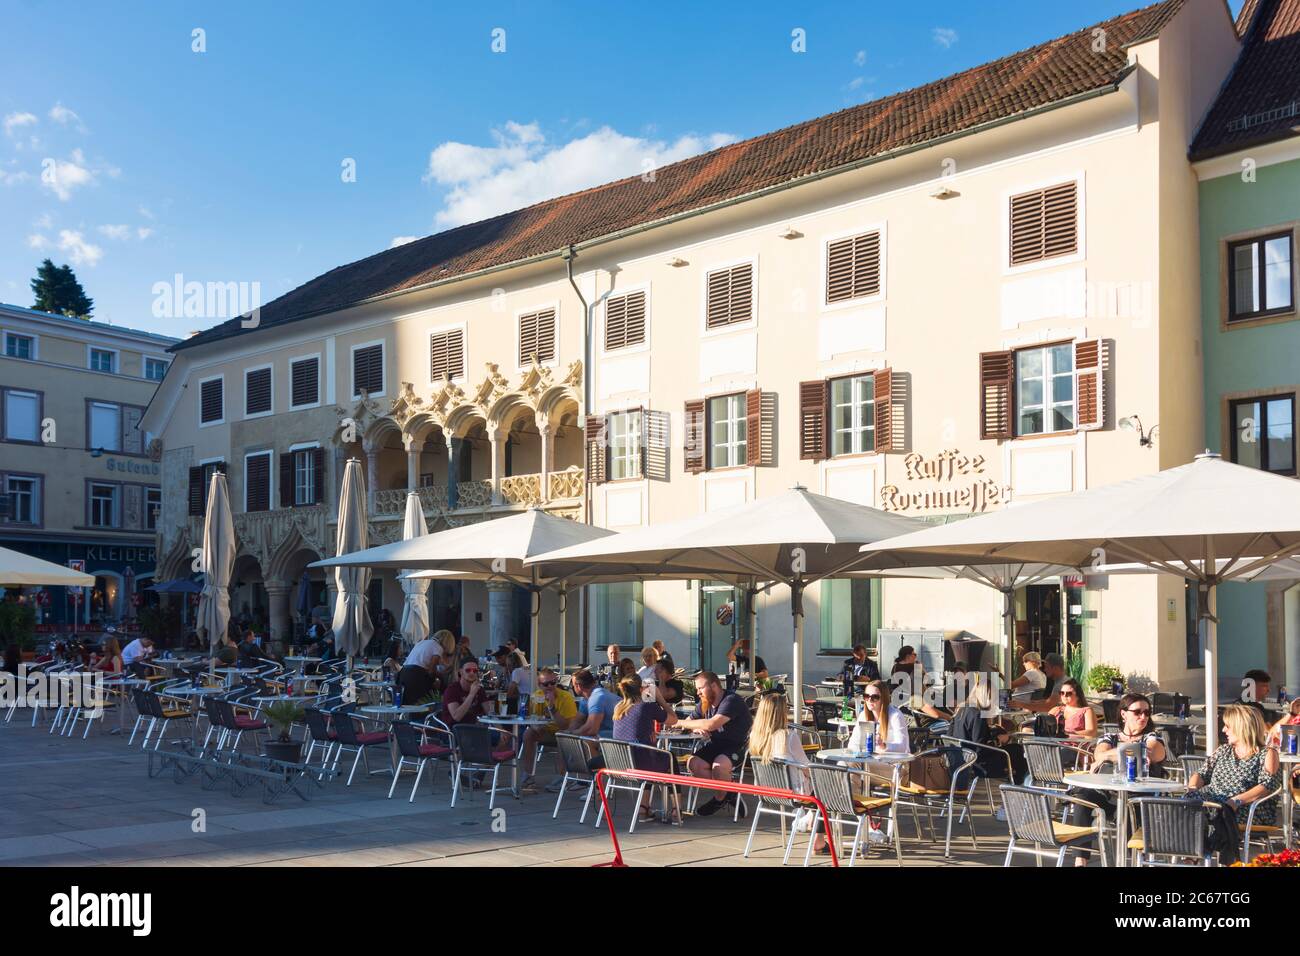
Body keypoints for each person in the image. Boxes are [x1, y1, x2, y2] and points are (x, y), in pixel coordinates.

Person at [1188, 704, 1282, 864]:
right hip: (1214, 804)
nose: (1223, 730)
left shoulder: (1267, 753)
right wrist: (1192, 788)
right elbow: (1201, 774)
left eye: (1227, 726)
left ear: (1242, 727)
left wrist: (1235, 801)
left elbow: (1266, 786)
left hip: (1248, 808)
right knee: (1184, 805)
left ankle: (1197, 856)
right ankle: (1188, 853)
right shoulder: (1224, 750)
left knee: (1216, 814)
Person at [749, 690, 829, 852]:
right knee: (826, 789)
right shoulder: (788, 736)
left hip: (767, 790)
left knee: (820, 787)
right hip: (792, 792)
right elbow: (807, 767)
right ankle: (818, 840)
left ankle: (809, 818)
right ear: (781, 713)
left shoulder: (755, 736)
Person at [676, 670, 753, 818]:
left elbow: (712, 724)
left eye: (700, 688)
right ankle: (730, 791)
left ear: (713, 685)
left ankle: (719, 798)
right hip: (716, 744)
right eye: (697, 689)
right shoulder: (705, 703)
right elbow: (690, 721)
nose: (697, 692)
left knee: (719, 766)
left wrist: (680, 722)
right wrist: (697, 727)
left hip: (737, 745)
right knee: (693, 764)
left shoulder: (731, 700)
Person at [612, 673, 679, 821]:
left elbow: (633, 727)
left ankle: (644, 807)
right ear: (642, 688)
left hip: (619, 764)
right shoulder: (647, 705)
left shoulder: (618, 707)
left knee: (650, 754)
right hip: (640, 764)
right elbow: (673, 720)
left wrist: (648, 731)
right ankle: (677, 809)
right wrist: (660, 699)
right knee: (670, 758)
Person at [947, 671, 1026, 781]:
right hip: (978, 764)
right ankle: (1019, 783)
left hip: (959, 758)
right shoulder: (978, 714)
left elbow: (951, 735)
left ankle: (1017, 782)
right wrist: (998, 741)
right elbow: (980, 748)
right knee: (1017, 750)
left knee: (1014, 752)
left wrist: (991, 732)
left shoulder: (960, 710)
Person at [518, 667, 580, 793]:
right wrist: (535, 727)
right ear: (539, 685)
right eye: (546, 684)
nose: (550, 686)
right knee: (528, 734)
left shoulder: (566, 697)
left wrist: (552, 707)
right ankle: (528, 776)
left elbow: (565, 726)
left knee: (562, 736)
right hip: (547, 731)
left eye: (553, 682)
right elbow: (532, 719)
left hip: (566, 732)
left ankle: (562, 778)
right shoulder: (537, 696)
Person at [1091, 693, 1166, 775]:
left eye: (1147, 712)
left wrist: (1107, 756)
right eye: (1137, 712)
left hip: (1143, 786)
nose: (1143, 716)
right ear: (1123, 714)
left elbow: (1148, 753)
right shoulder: (1109, 737)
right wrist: (1135, 752)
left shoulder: (1152, 737)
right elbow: (1099, 755)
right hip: (1111, 785)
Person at [848, 679, 910, 753]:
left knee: (851, 764)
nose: (870, 700)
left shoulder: (895, 716)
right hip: (870, 759)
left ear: (883, 699)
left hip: (892, 761)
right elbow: (852, 743)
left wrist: (883, 745)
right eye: (866, 696)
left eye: (875, 697)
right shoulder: (863, 715)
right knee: (842, 762)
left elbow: (903, 747)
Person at [440, 658, 489, 728]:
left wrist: (502, 731)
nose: (472, 673)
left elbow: (489, 713)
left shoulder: (479, 689)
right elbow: (456, 717)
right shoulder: (452, 690)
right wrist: (471, 694)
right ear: (460, 672)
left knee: (502, 735)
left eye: (475, 671)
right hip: (454, 731)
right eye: (468, 670)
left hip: (475, 729)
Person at [399, 633, 444, 703]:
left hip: (403, 674)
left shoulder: (421, 643)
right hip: (416, 676)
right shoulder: (438, 647)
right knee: (424, 703)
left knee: (408, 704)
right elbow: (431, 671)